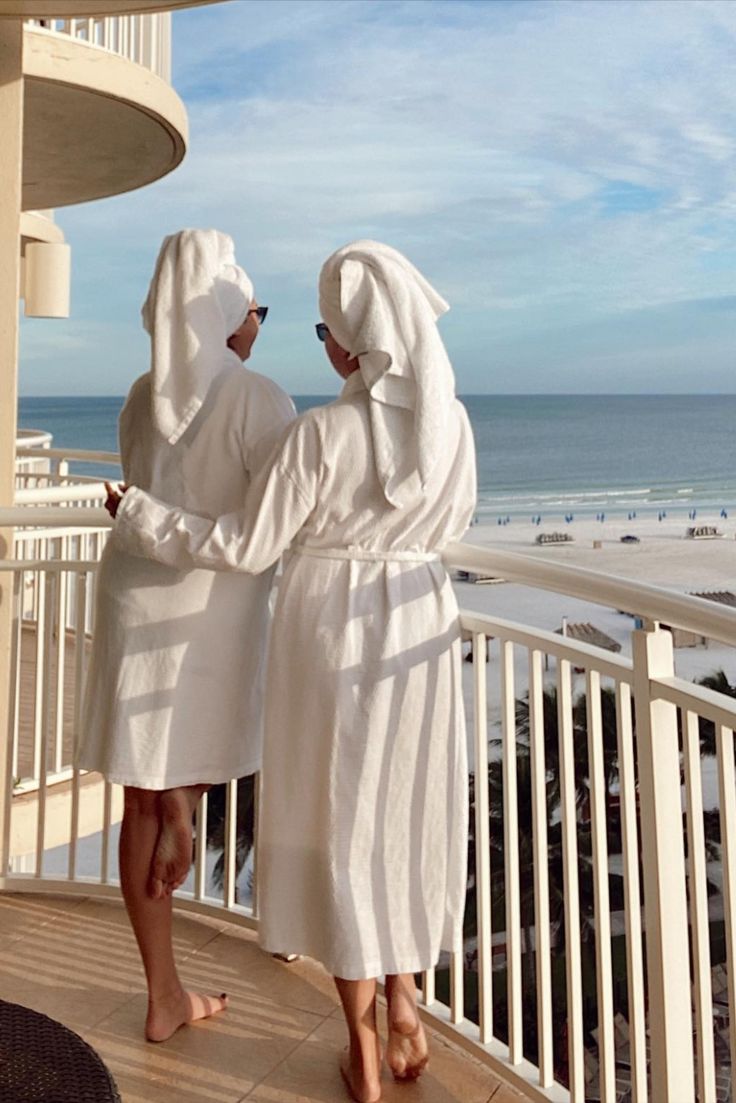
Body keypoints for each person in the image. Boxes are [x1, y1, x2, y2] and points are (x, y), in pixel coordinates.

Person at [107, 240, 477, 1102]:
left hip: (328, 633)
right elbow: (451, 520)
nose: (319, 343)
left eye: (324, 328)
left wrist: (146, 521)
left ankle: (357, 1036)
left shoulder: (319, 434)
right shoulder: (450, 427)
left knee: (338, 811)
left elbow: (243, 543)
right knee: (404, 803)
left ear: (350, 339)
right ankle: (406, 998)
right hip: (418, 618)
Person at [77, 229, 295, 1043]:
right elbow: (267, 527)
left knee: (140, 789)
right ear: (227, 310)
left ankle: (163, 992)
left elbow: (143, 496)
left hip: (135, 602)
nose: (258, 322)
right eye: (254, 307)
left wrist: (144, 515)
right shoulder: (258, 397)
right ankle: (182, 805)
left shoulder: (141, 395)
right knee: (190, 757)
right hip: (209, 616)